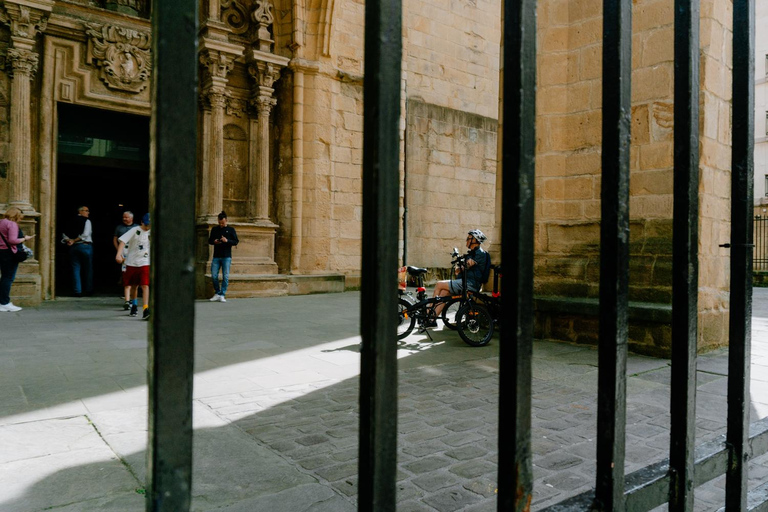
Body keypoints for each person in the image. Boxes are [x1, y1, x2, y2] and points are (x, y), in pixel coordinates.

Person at [430, 229, 490, 324]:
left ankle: (428, 312)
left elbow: (469, 264)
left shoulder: (480, 253)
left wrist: (464, 264)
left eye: (468, 238)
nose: (466, 240)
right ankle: (432, 319)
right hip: (465, 282)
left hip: (470, 284)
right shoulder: (473, 253)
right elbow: (465, 267)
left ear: (474, 240)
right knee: (444, 293)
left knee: (439, 284)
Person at [116, 213, 151, 319]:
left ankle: (145, 308)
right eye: (146, 225)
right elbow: (122, 241)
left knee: (145, 285)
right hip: (132, 262)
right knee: (134, 285)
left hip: (145, 261)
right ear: (142, 223)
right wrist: (119, 254)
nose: (147, 227)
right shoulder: (135, 230)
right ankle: (134, 305)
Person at [0, 207, 34, 312]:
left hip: (1, 251)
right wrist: (25, 238)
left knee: (4, 277)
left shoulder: (1, 222)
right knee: (8, 277)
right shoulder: (12, 224)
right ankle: (4, 303)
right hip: (9, 254)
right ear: (16, 215)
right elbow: (13, 240)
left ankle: (3, 301)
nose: (20, 219)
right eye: (20, 217)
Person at [208, 211, 239, 303]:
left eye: (223, 223)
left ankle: (222, 294)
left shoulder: (231, 230)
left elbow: (236, 241)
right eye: (220, 222)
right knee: (214, 276)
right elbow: (210, 241)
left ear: (226, 221)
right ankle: (217, 292)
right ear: (218, 221)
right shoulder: (214, 229)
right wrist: (215, 241)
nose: (221, 224)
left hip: (226, 256)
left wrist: (227, 240)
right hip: (216, 256)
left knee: (225, 276)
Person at [64, 205, 93, 297]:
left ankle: (77, 291)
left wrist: (69, 240)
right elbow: (85, 234)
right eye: (86, 210)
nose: (88, 212)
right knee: (88, 269)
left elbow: (64, 233)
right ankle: (88, 290)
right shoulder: (87, 221)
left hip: (74, 247)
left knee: (75, 269)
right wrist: (75, 240)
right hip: (85, 245)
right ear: (80, 211)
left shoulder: (69, 221)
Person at [113, 211, 138, 310]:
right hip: (124, 255)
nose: (124, 219)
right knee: (127, 279)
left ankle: (132, 299)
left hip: (135, 256)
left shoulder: (137, 228)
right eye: (123, 217)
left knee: (135, 281)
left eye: (126, 217)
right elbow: (115, 239)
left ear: (131, 218)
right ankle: (127, 301)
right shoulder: (119, 227)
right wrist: (118, 251)